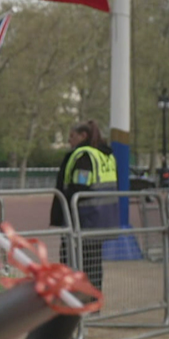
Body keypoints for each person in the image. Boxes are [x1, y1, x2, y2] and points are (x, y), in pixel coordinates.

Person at [50, 120, 118, 289]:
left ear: (83, 136)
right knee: (93, 265)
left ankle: (76, 304)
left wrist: (62, 199)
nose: (69, 140)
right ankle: (93, 303)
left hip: (83, 219)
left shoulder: (84, 156)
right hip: (102, 218)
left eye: (72, 136)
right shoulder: (105, 155)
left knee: (71, 262)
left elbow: (80, 186)